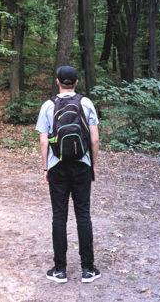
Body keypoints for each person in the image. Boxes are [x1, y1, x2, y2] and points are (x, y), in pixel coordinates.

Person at [36, 65, 101, 284]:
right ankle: (88, 269)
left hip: (57, 166)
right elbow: (94, 139)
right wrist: (92, 165)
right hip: (82, 165)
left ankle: (60, 270)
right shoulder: (86, 103)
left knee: (59, 216)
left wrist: (46, 167)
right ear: (76, 82)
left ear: (57, 82)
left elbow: (44, 140)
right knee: (83, 215)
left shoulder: (48, 105)